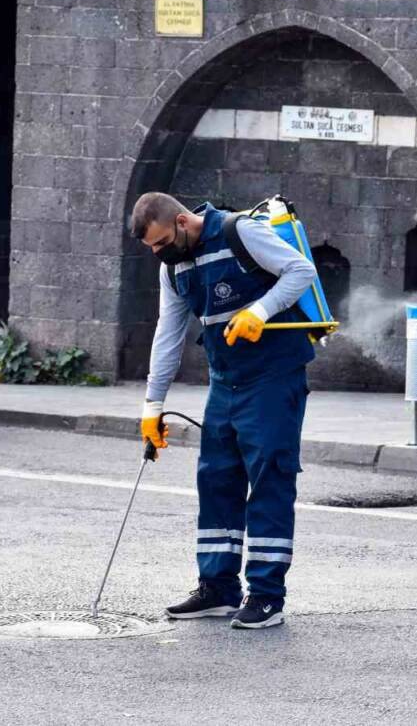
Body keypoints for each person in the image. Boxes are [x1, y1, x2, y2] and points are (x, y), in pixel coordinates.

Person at [130, 192, 317, 629]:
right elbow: (168, 335)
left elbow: (300, 270)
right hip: (224, 382)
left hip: (274, 376)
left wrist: (260, 311)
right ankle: (218, 588)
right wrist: (152, 406)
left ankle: (267, 597)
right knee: (216, 479)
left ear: (181, 222)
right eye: (152, 248)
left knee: (269, 478)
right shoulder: (172, 268)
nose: (158, 253)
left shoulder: (239, 232)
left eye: (161, 242)